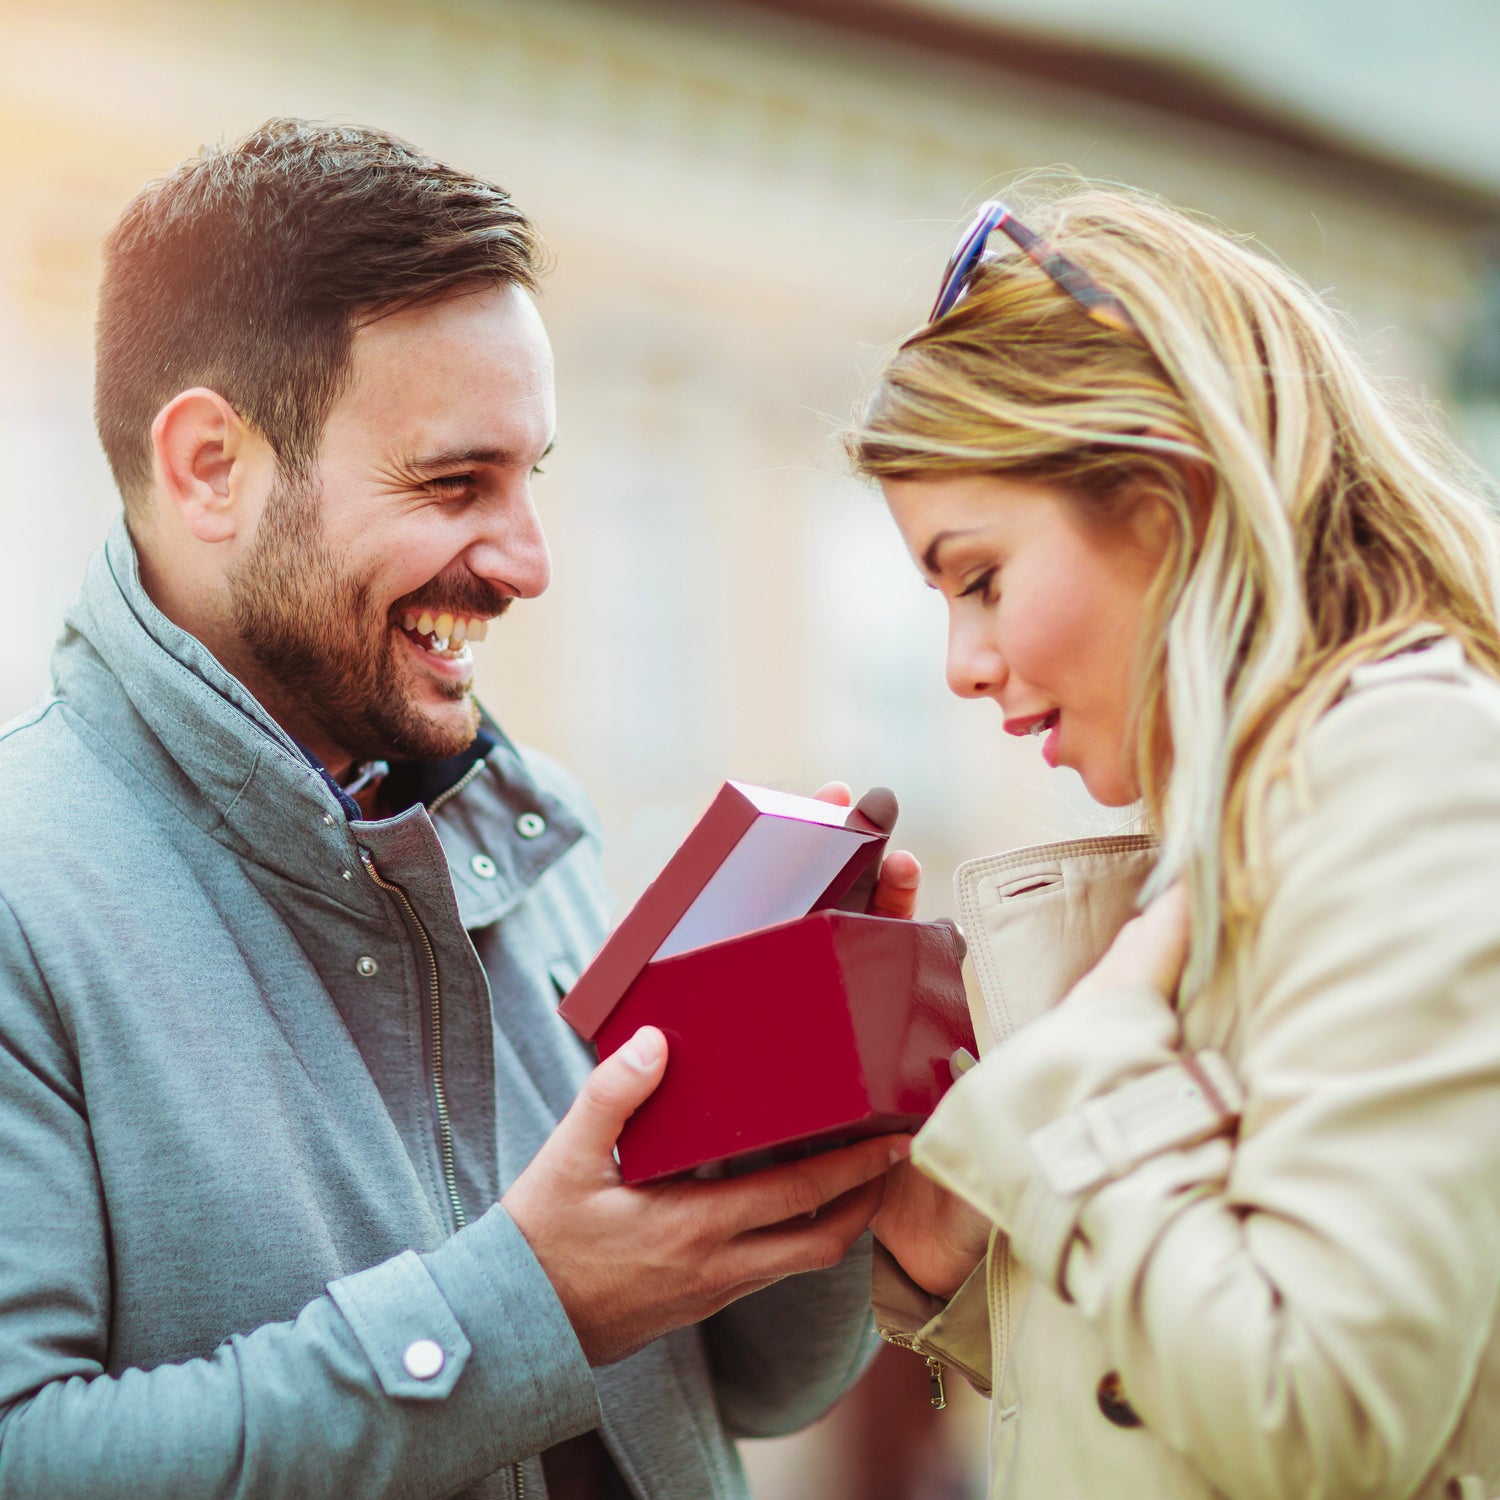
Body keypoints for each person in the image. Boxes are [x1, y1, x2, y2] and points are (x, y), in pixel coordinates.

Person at [0, 118, 922, 1499]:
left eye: (530, 478)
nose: (528, 563)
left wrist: (816, 1150)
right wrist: (528, 1303)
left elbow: (754, 1383)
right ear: (208, 468)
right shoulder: (23, 894)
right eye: (452, 483)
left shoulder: (538, 833)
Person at [858, 187, 1500, 1499]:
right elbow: (1156, 1394)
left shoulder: (1411, 768)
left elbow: (1317, 1416)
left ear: (1163, 494)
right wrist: (939, 1240)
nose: (964, 666)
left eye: (980, 577)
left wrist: (1051, 1096)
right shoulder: (1245, 821)